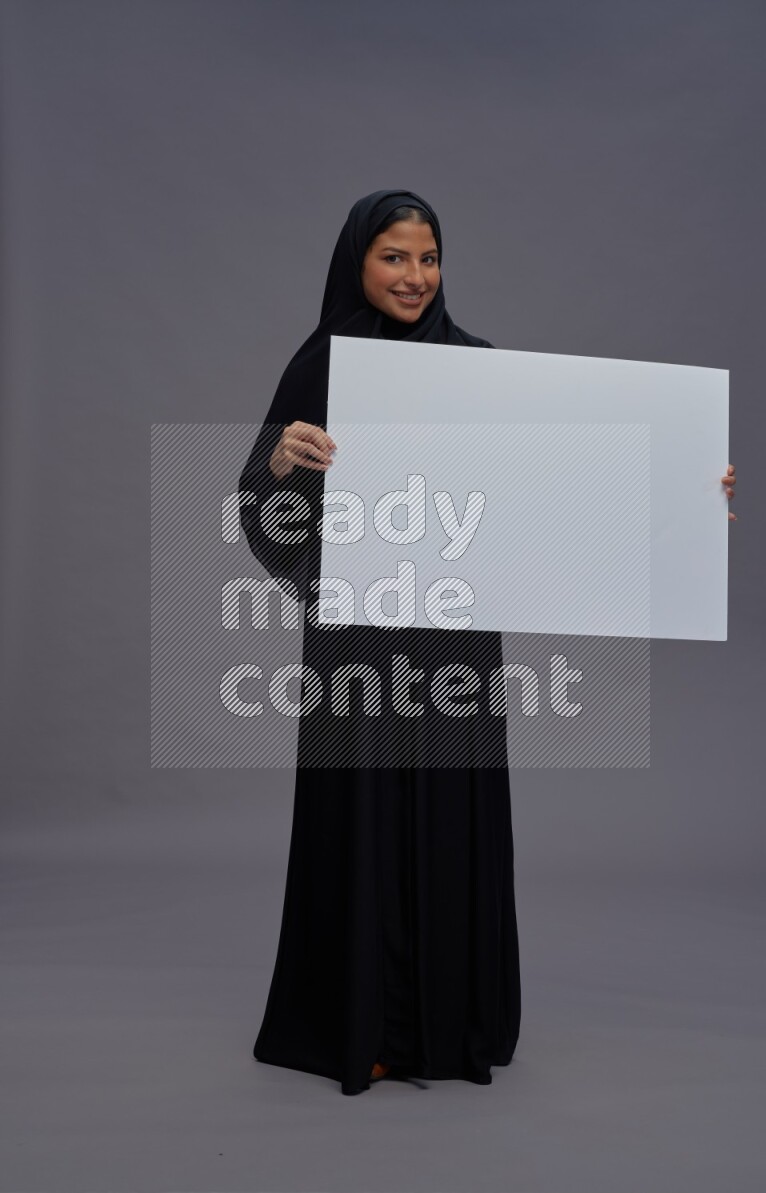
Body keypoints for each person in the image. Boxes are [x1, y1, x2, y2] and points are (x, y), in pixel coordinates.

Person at [238, 189, 521, 1095]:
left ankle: (446, 1031)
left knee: (448, 814)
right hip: (356, 639)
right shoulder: (321, 365)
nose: (414, 276)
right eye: (394, 257)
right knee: (354, 817)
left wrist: (688, 492)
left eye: (428, 258)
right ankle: (358, 1022)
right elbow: (263, 510)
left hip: (454, 643)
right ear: (358, 262)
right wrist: (284, 461)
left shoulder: (477, 367)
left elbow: (553, 492)